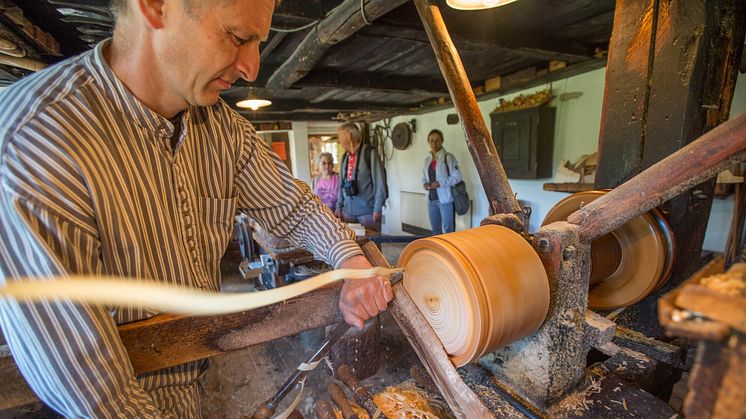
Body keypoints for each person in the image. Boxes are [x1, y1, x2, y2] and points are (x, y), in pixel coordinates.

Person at [0, 1, 392, 417]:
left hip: (195, 388)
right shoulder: (35, 140)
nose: (252, 69)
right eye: (238, 38)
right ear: (155, 7)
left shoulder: (221, 128)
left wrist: (351, 262)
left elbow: (292, 208)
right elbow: (91, 387)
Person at [335, 122, 386, 232]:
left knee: (371, 246)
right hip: (348, 213)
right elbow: (341, 185)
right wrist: (339, 206)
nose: (339, 141)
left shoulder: (370, 153)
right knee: (352, 247)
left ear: (348, 136)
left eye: (340, 136)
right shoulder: (345, 157)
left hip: (368, 213)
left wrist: (377, 208)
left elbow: (380, 183)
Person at [422, 129, 462, 235]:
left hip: (445, 200)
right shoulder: (427, 160)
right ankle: (438, 251)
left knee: (449, 230)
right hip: (431, 200)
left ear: (442, 141)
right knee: (435, 231)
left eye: (437, 140)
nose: (434, 143)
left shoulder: (448, 157)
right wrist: (425, 184)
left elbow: (457, 177)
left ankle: (450, 251)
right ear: (428, 142)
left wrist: (440, 183)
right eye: (431, 140)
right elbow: (423, 177)